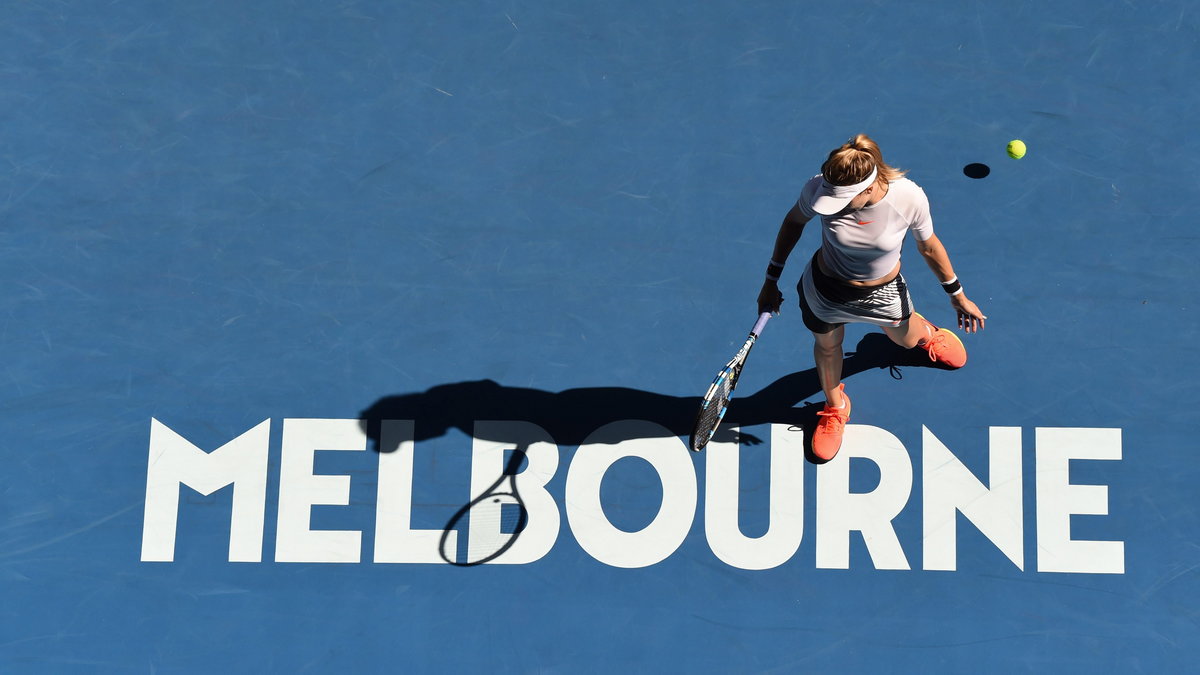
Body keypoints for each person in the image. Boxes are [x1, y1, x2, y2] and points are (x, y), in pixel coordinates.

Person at [757, 134, 987, 461]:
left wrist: (957, 295)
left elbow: (929, 246)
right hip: (825, 290)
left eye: (841, 199)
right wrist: (770, 279)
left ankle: (926, 334)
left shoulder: (908, 198)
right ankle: (836, 406)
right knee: (827, 346)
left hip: (883, 294)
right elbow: (794, 222)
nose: (832, 206)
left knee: (905, 341)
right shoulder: (818, 188)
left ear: (868, 188)